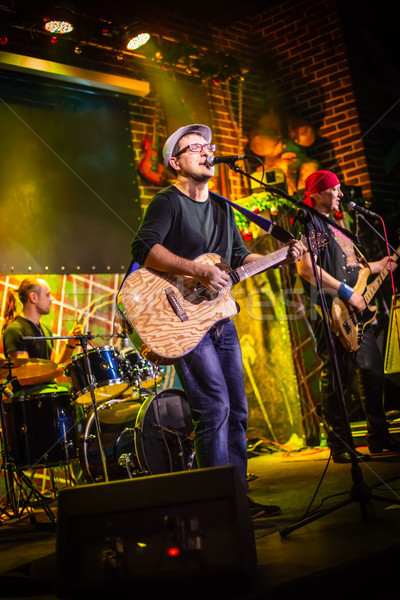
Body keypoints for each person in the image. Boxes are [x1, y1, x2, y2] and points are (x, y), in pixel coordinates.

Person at [131, 123, 306, 517]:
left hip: (220, 320)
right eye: (196, 147)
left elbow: (240, 258)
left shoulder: (224, 207)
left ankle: (237, 499)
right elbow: (143, 247)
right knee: (213, 406)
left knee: (238, 410)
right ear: (176, 161)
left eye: (209, 146)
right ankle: (216, 506)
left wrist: (281, 255)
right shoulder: (167, 201)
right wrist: (198, 270)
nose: (207, 151)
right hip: (181, 320)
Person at [292, 170, 400, 463]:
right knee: (338, 377)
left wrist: (379, 265)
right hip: (330, 310)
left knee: (372, 371)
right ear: (317, 193)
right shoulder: (308, 220)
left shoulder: (337, 224)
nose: (341, 194)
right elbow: (305, 269)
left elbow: (354, 269)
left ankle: (378, 436)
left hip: (355, 311)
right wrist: (344, 291)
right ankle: (340, 445)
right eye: (335, 189)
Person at [2, 277, 82, 396]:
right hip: (30, 398)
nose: (52, 299)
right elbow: (24, 379)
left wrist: (69, 345)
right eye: (48, 295)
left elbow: (52, 364)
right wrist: (62, 369)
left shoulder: (45, 329)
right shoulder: (15, 330)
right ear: (33, 297)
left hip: (50, 392)